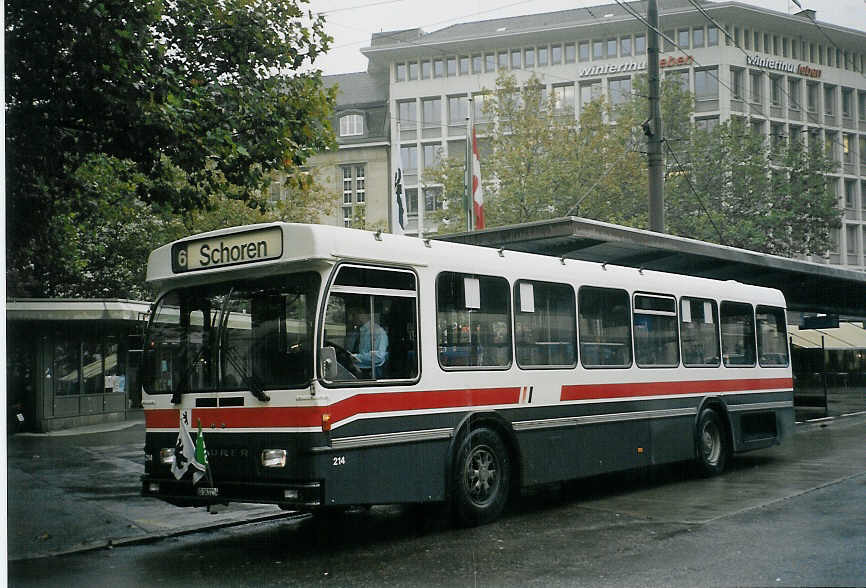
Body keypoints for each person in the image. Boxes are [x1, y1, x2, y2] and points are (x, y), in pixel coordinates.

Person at [350, 306, 389, 378]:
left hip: (372, 373)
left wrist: (357, 357)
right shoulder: (361, 330)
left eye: (353, 315)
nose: (351, 319)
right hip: (360, 369)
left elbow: (379, 357)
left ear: (361, 315)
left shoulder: (378, 331)